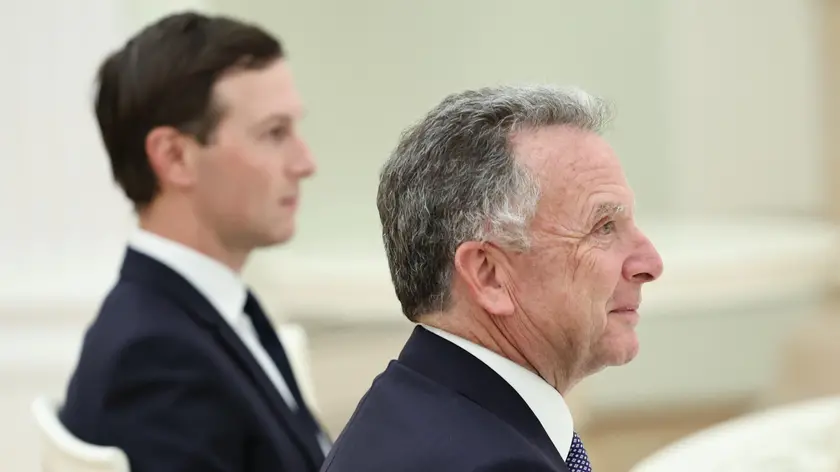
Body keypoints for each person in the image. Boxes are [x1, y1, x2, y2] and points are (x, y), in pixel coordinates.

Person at [321, 85, 664, 472]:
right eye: (603, 227)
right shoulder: (494, 463)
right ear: (488, 275)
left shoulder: (417, 413)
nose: (650, 263)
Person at [59, 11, 329, 472]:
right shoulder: (156, 362)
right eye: (274, 133)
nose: (305, 163)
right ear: (174, 157)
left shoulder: (197, 314)